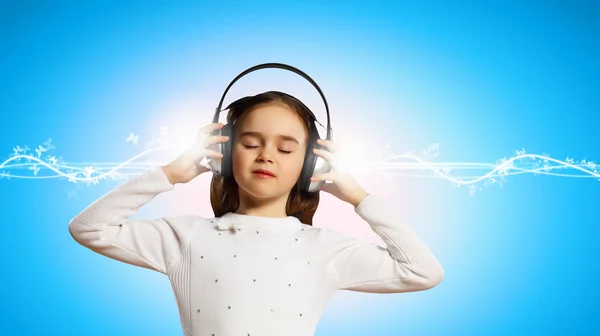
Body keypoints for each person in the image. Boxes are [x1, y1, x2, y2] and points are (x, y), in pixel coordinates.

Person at [69, 91, 444, 336]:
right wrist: (169, 174)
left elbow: (423, 271)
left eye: (286, 149)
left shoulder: (325, 249)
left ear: (311, 166)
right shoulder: (184, 238)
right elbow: (89, 229)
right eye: (250, 143)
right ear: (226, 154)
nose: (265, 155)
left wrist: (359, 197)